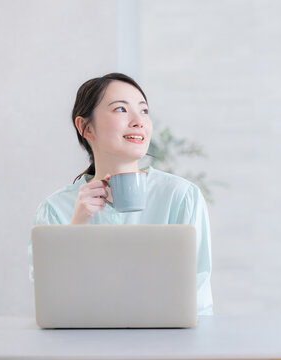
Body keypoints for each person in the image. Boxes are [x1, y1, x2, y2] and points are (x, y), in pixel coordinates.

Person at [28, 73, 213, 315]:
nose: (139, 121)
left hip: (165, 346)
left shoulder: (181, 196)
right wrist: (77, 228)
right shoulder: (54, 210)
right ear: (85, 128)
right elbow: (53, 304)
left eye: (144, 111)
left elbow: (198, 302)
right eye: (120, 110)